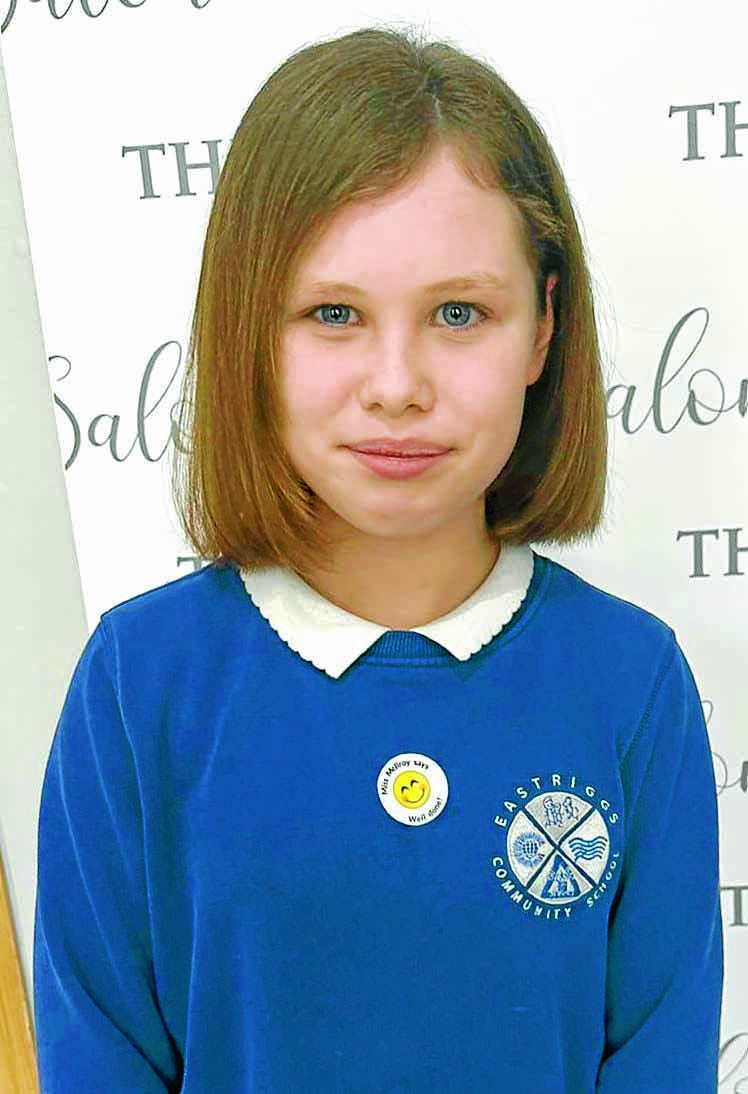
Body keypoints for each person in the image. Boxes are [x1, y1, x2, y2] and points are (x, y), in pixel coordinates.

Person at [33, 21, 723, 1094]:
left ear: (542, 326)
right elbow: (98, 1055)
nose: (396, 381)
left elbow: (660, 1058)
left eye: (458, 312)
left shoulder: (631, 683)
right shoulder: (140, 681)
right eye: (332, 313)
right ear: (249, 331)